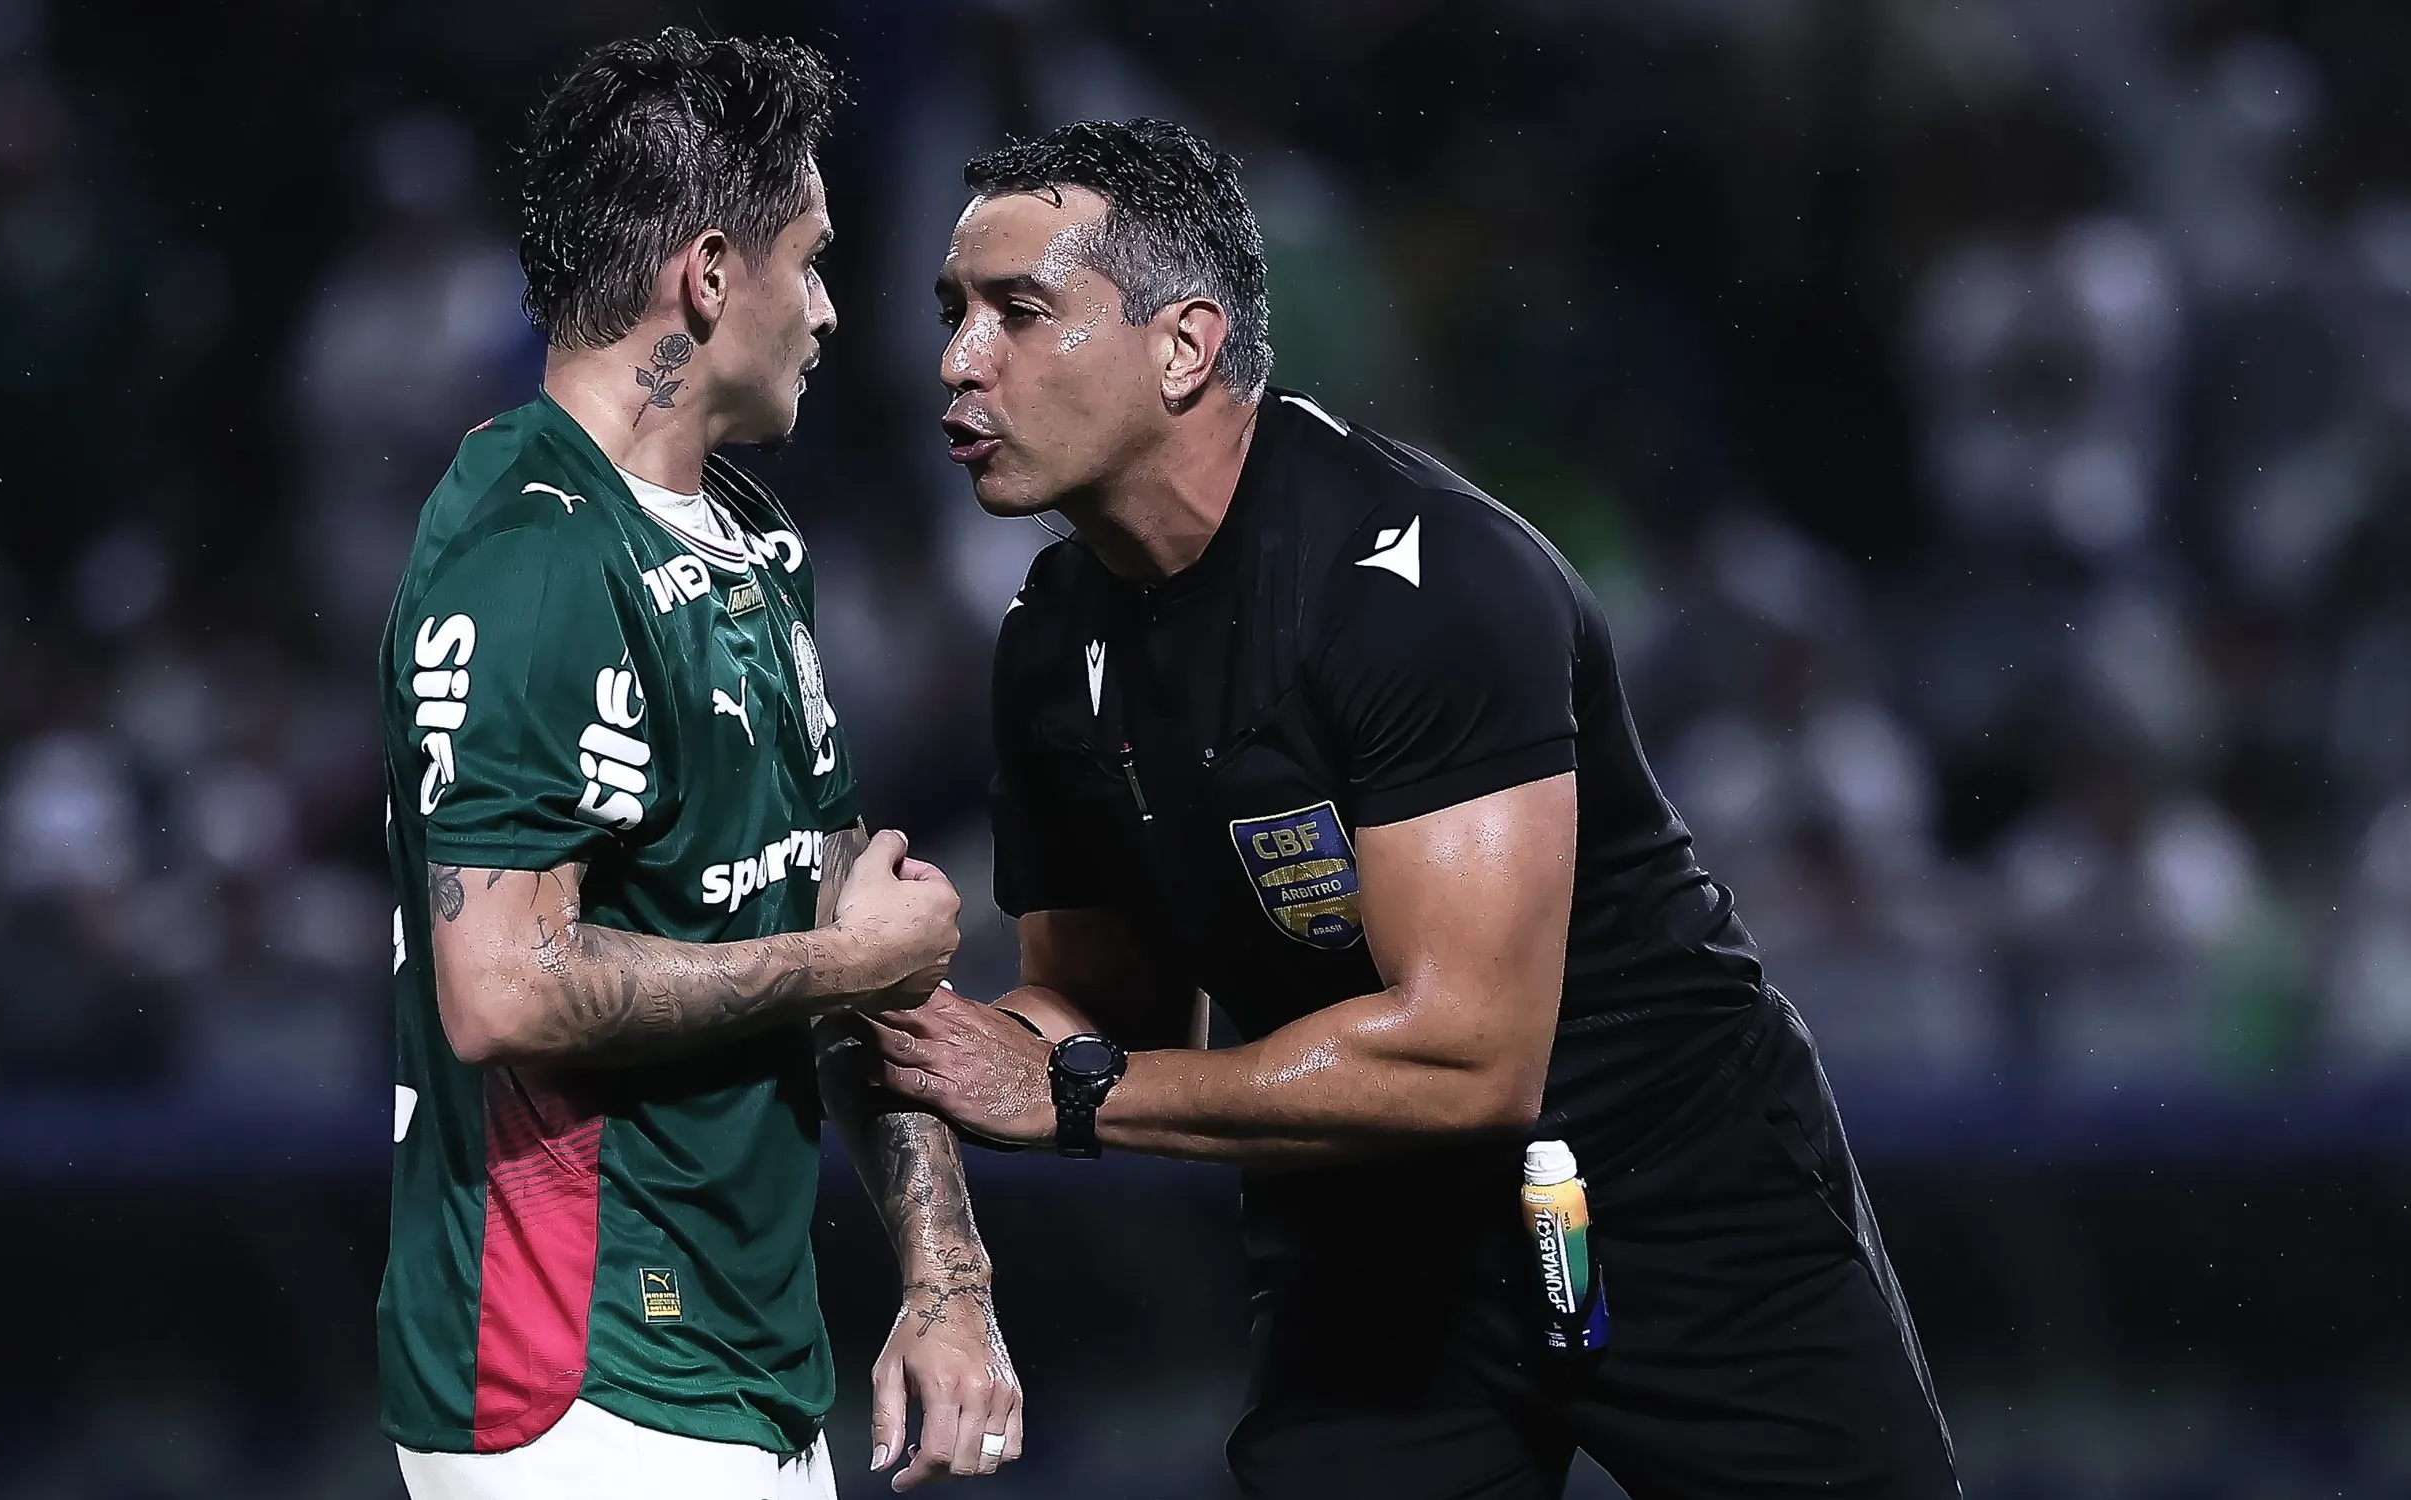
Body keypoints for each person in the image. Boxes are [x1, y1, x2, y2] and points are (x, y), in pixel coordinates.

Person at [871, 118, 1960, 1499]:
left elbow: (1469, 1060)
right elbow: (1107, 1020)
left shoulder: (1423, 583)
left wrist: (1074, 1094)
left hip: (1673, 1194)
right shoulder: (1048, 646)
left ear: (1184, 346)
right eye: (952, 314)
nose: (960, 360)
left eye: (1018, 312)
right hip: (1366, 1242)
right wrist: (867, 1001)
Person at [376, 32, 1020, 1498]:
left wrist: (946, 1279)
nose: (832, 310)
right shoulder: (531, 555)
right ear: (712, 275)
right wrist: (841, 964)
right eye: (813, 260)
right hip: (567, 1380)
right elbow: (501, 986)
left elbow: (848, 920)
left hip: (748, 1368)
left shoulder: (751, 545)